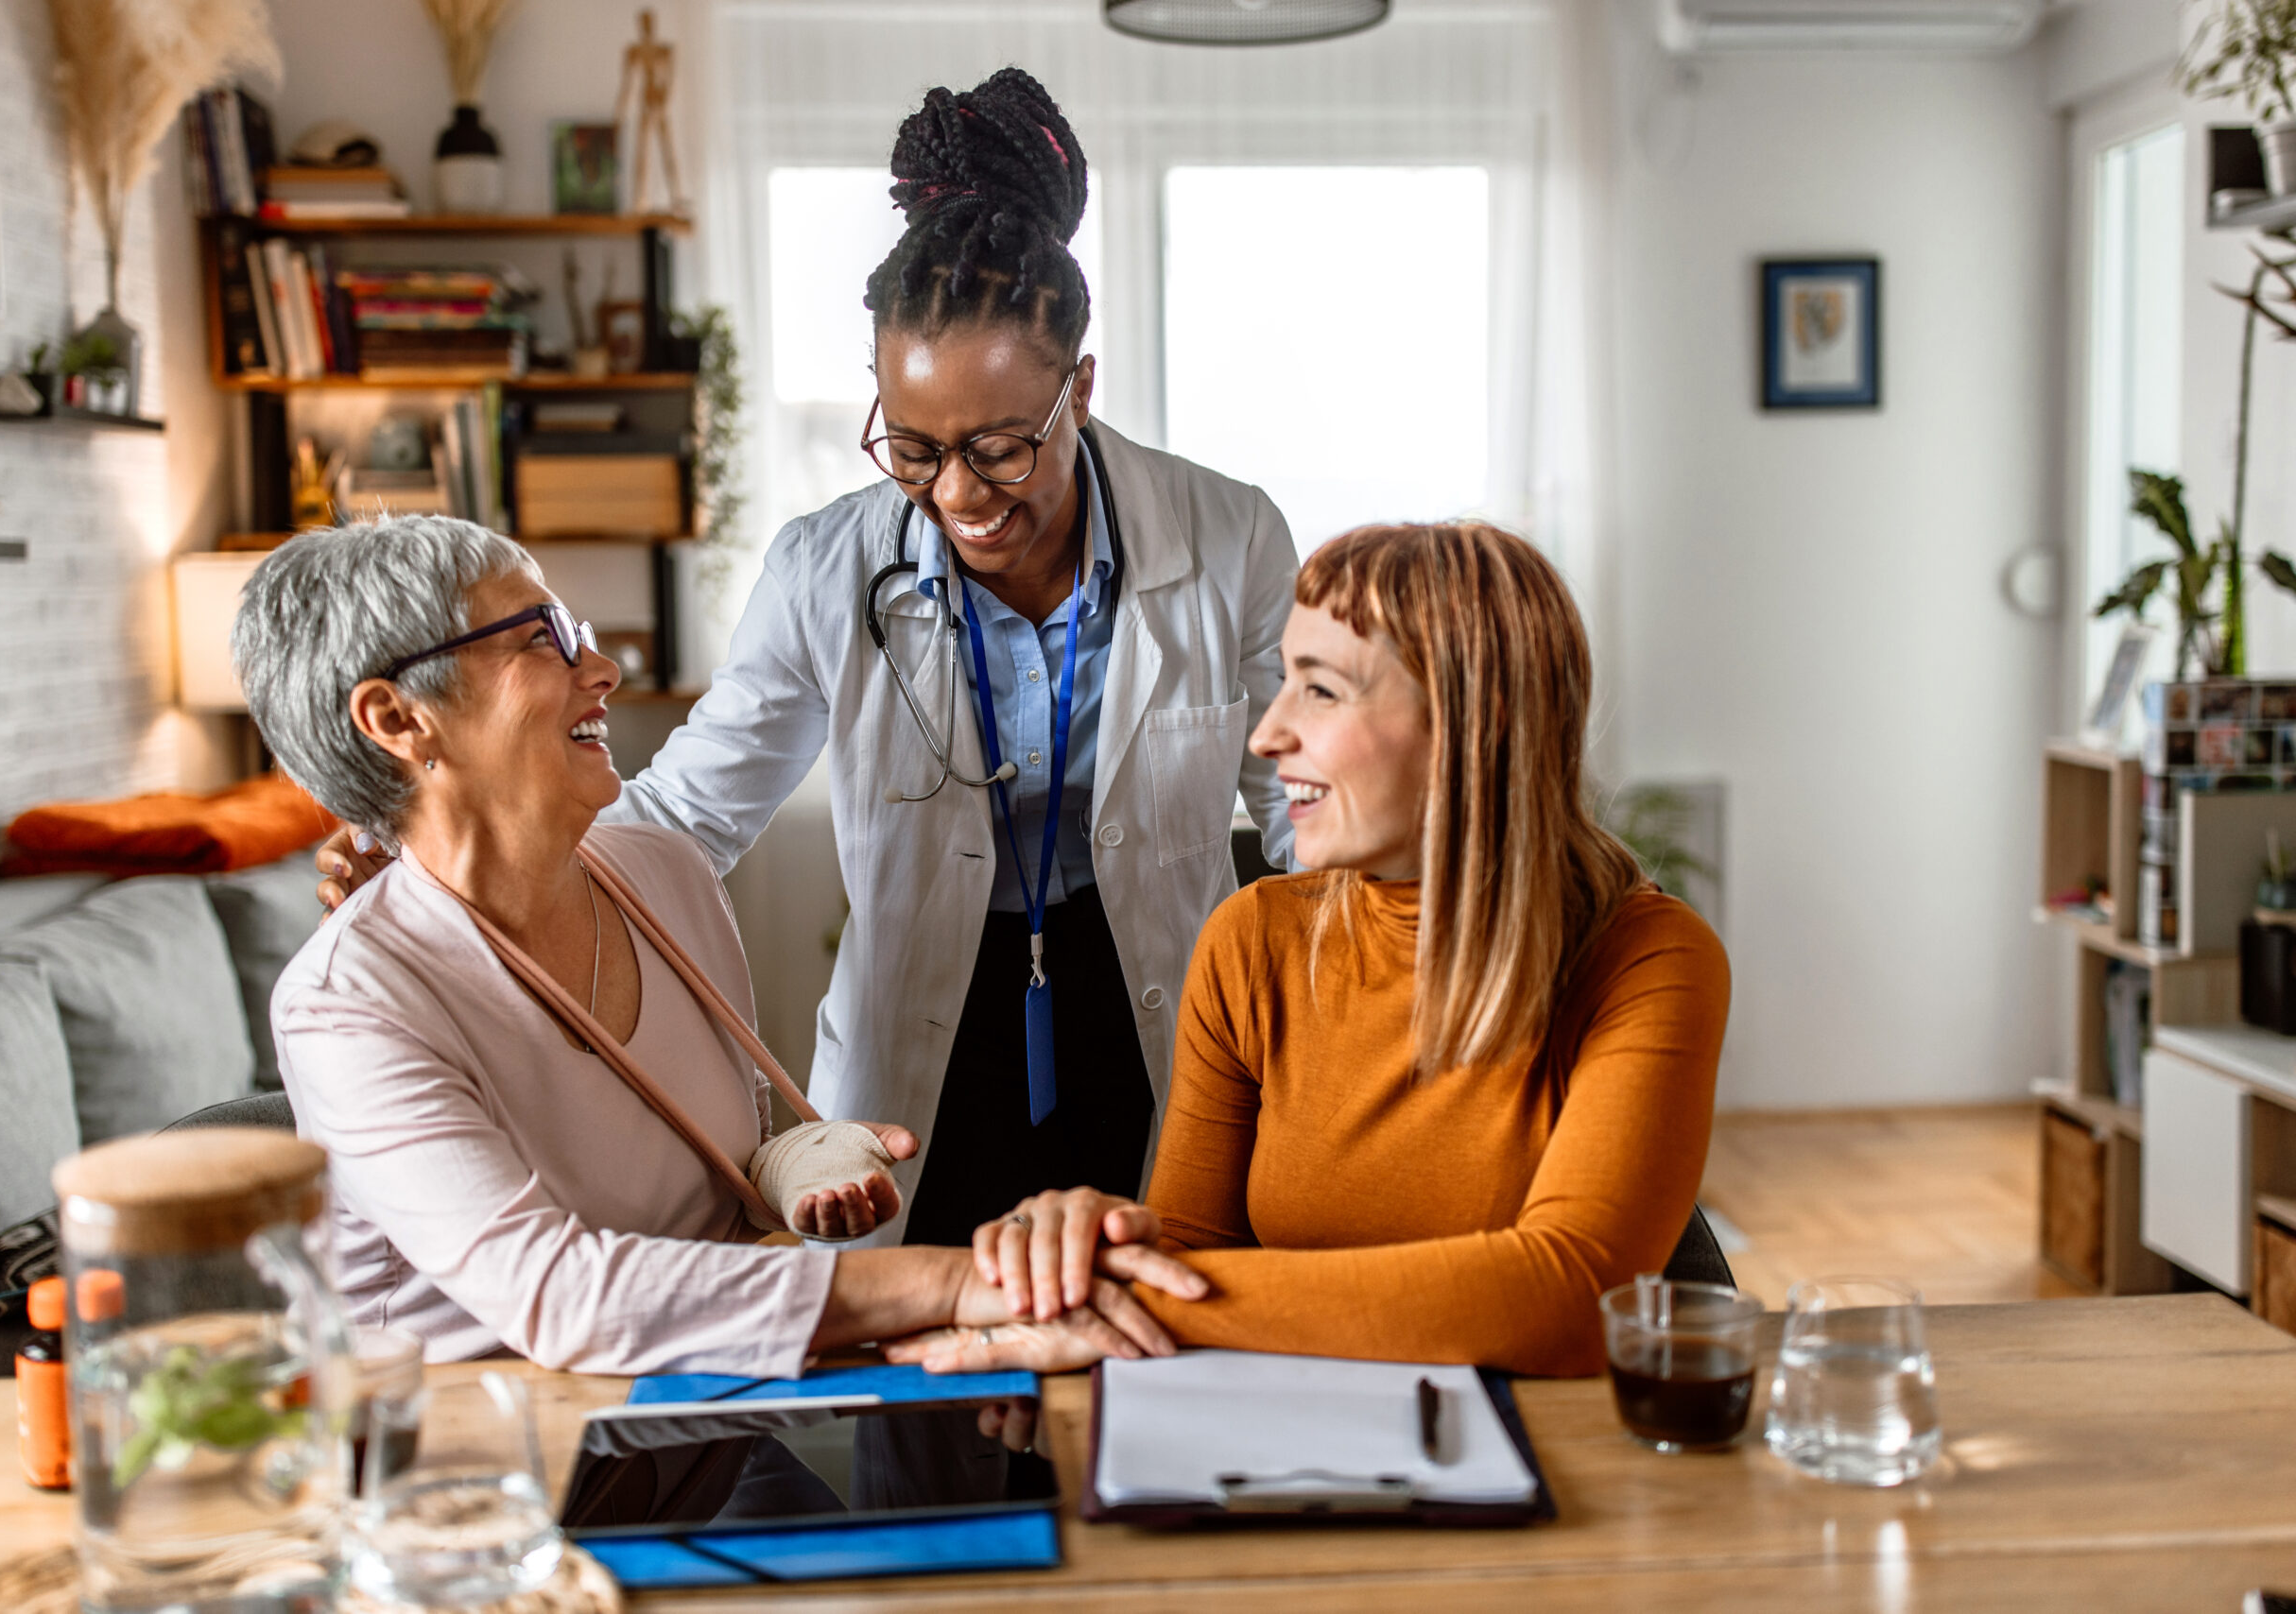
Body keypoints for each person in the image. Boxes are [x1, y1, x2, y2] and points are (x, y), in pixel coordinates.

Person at [319, 68, 1297, 1249]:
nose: (954, 496)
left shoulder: (1227, 534)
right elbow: (684, 821)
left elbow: (1298, 813)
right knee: (918, 1397)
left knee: (1156, 1360)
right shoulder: (826, 568)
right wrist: (452, 880)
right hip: (925, 1039)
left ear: (1078, 392)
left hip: (1159, 1015)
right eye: (914, 446)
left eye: (998, 448)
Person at [241, 517, 1205, 1378]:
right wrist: (957, 1283)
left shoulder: (661, 872)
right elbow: (558, 1295)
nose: (603, 667)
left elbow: (737, 1157)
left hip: (710, 1429)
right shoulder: (347, 1006)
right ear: (398, 719)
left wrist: (801, 1168)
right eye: (543, 639)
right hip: (491, 1494)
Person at [897, 524, 1730, 1378]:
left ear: (1478, 720)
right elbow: (1185, 1253)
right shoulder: (1254, 940)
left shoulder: (1646, 957)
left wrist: (1123, 1302)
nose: (1267, 734)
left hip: (1566, 1472)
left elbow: (1572, 1296)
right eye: (1284, 681)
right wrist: (1094, 1261)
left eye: (1322, 692)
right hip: (1303, 1443)